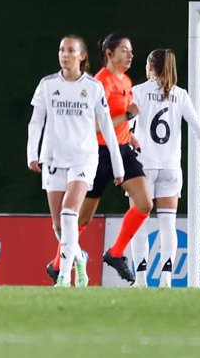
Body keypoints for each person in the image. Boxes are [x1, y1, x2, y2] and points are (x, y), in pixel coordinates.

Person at [27, 36, 124, 287]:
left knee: (70, 211)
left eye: (70, 50)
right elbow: (36, 121)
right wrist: (32, 153)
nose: (64, 54)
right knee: (59, 226)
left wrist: (117, 164)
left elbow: (106, 127)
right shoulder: (47, 84)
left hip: (83, 158)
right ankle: (79, 257)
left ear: (82, 56)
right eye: (61, 50)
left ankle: (64, 276)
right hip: (53, 158)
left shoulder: (92, 87)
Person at [129, 48, 200, 287]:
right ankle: (167, 279)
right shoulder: (180, 95)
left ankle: (140, 278)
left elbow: (125, 124)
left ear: (150, 66)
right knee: (167, 223)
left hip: (143, 167)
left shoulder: (138, 92)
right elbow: (197, 126)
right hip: (171, 167)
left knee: (138, 221)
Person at [74, 33, 154, 284]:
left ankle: (116, 252)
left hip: (122, 150)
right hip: (98, 153)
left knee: (145, 203)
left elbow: (119, 120)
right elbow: (95, 128)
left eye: (130, 51)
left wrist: (129, 135)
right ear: (109, 54)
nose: (130, 55)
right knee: (82, 219)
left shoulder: (127, 80)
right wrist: (127, 118)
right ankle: (58, 264)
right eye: (124, 50)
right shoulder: (99, 83)